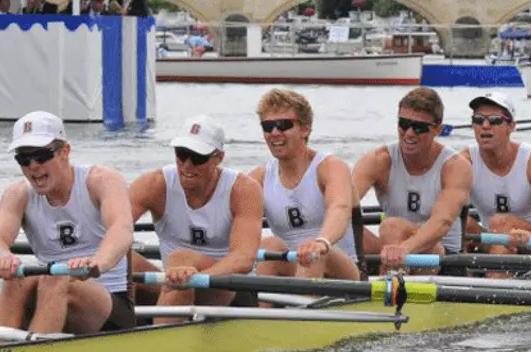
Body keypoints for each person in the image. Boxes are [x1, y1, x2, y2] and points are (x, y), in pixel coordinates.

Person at [0, 111, 134, 335]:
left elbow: (122, 229)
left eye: (41, 156)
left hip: (109, 305)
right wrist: (3, 256)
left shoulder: (101, 180)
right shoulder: (17, 194)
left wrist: (98, 262)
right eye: (23, 159)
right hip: (51, 293)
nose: (33, 166)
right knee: (15, 278)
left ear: (65, 152)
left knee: (55, 279)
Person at [128, 115, 263, 323]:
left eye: (198, 157)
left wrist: (193, 278)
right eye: (182, 154)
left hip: (231, 291)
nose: (187, 165)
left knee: (182, 259)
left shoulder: (243, 189)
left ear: (219, 157)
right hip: (173, 284)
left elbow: (244, 259)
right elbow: (111, 232)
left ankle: (159, 346)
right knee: (123, 256)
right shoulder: (153, 184)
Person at [352, 87, 472, 273]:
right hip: (393, 251)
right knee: (345, 227)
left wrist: (404, 249)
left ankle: (389, 286)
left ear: (437, 130)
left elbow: (442, 222)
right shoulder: (378, 160)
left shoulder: (455, 166)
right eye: (404, 123)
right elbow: (341, 205)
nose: (409, 133)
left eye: (419, 128)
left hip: (443, 257)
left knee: (391, 226)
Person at [249, 89, 360, 281]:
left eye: (283, 125)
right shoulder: (259, 177)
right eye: (268, 127)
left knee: (313, 254)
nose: (275, 133)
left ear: (305, 129)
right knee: (269, 246)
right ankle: (264, 310)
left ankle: (298, 306)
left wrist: (322, 242)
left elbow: (339, 208)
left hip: (345, 273)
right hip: (294, 269)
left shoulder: (330, 167)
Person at [460, 92, 531, 254]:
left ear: (511, 126)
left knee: (500, 222)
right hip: (490, 239)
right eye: (478, 120)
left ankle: (495, 276)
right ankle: (463, 274)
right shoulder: (463, 162)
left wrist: (528, 240)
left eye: (494, 120)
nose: (485, 126)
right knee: (460, 224)